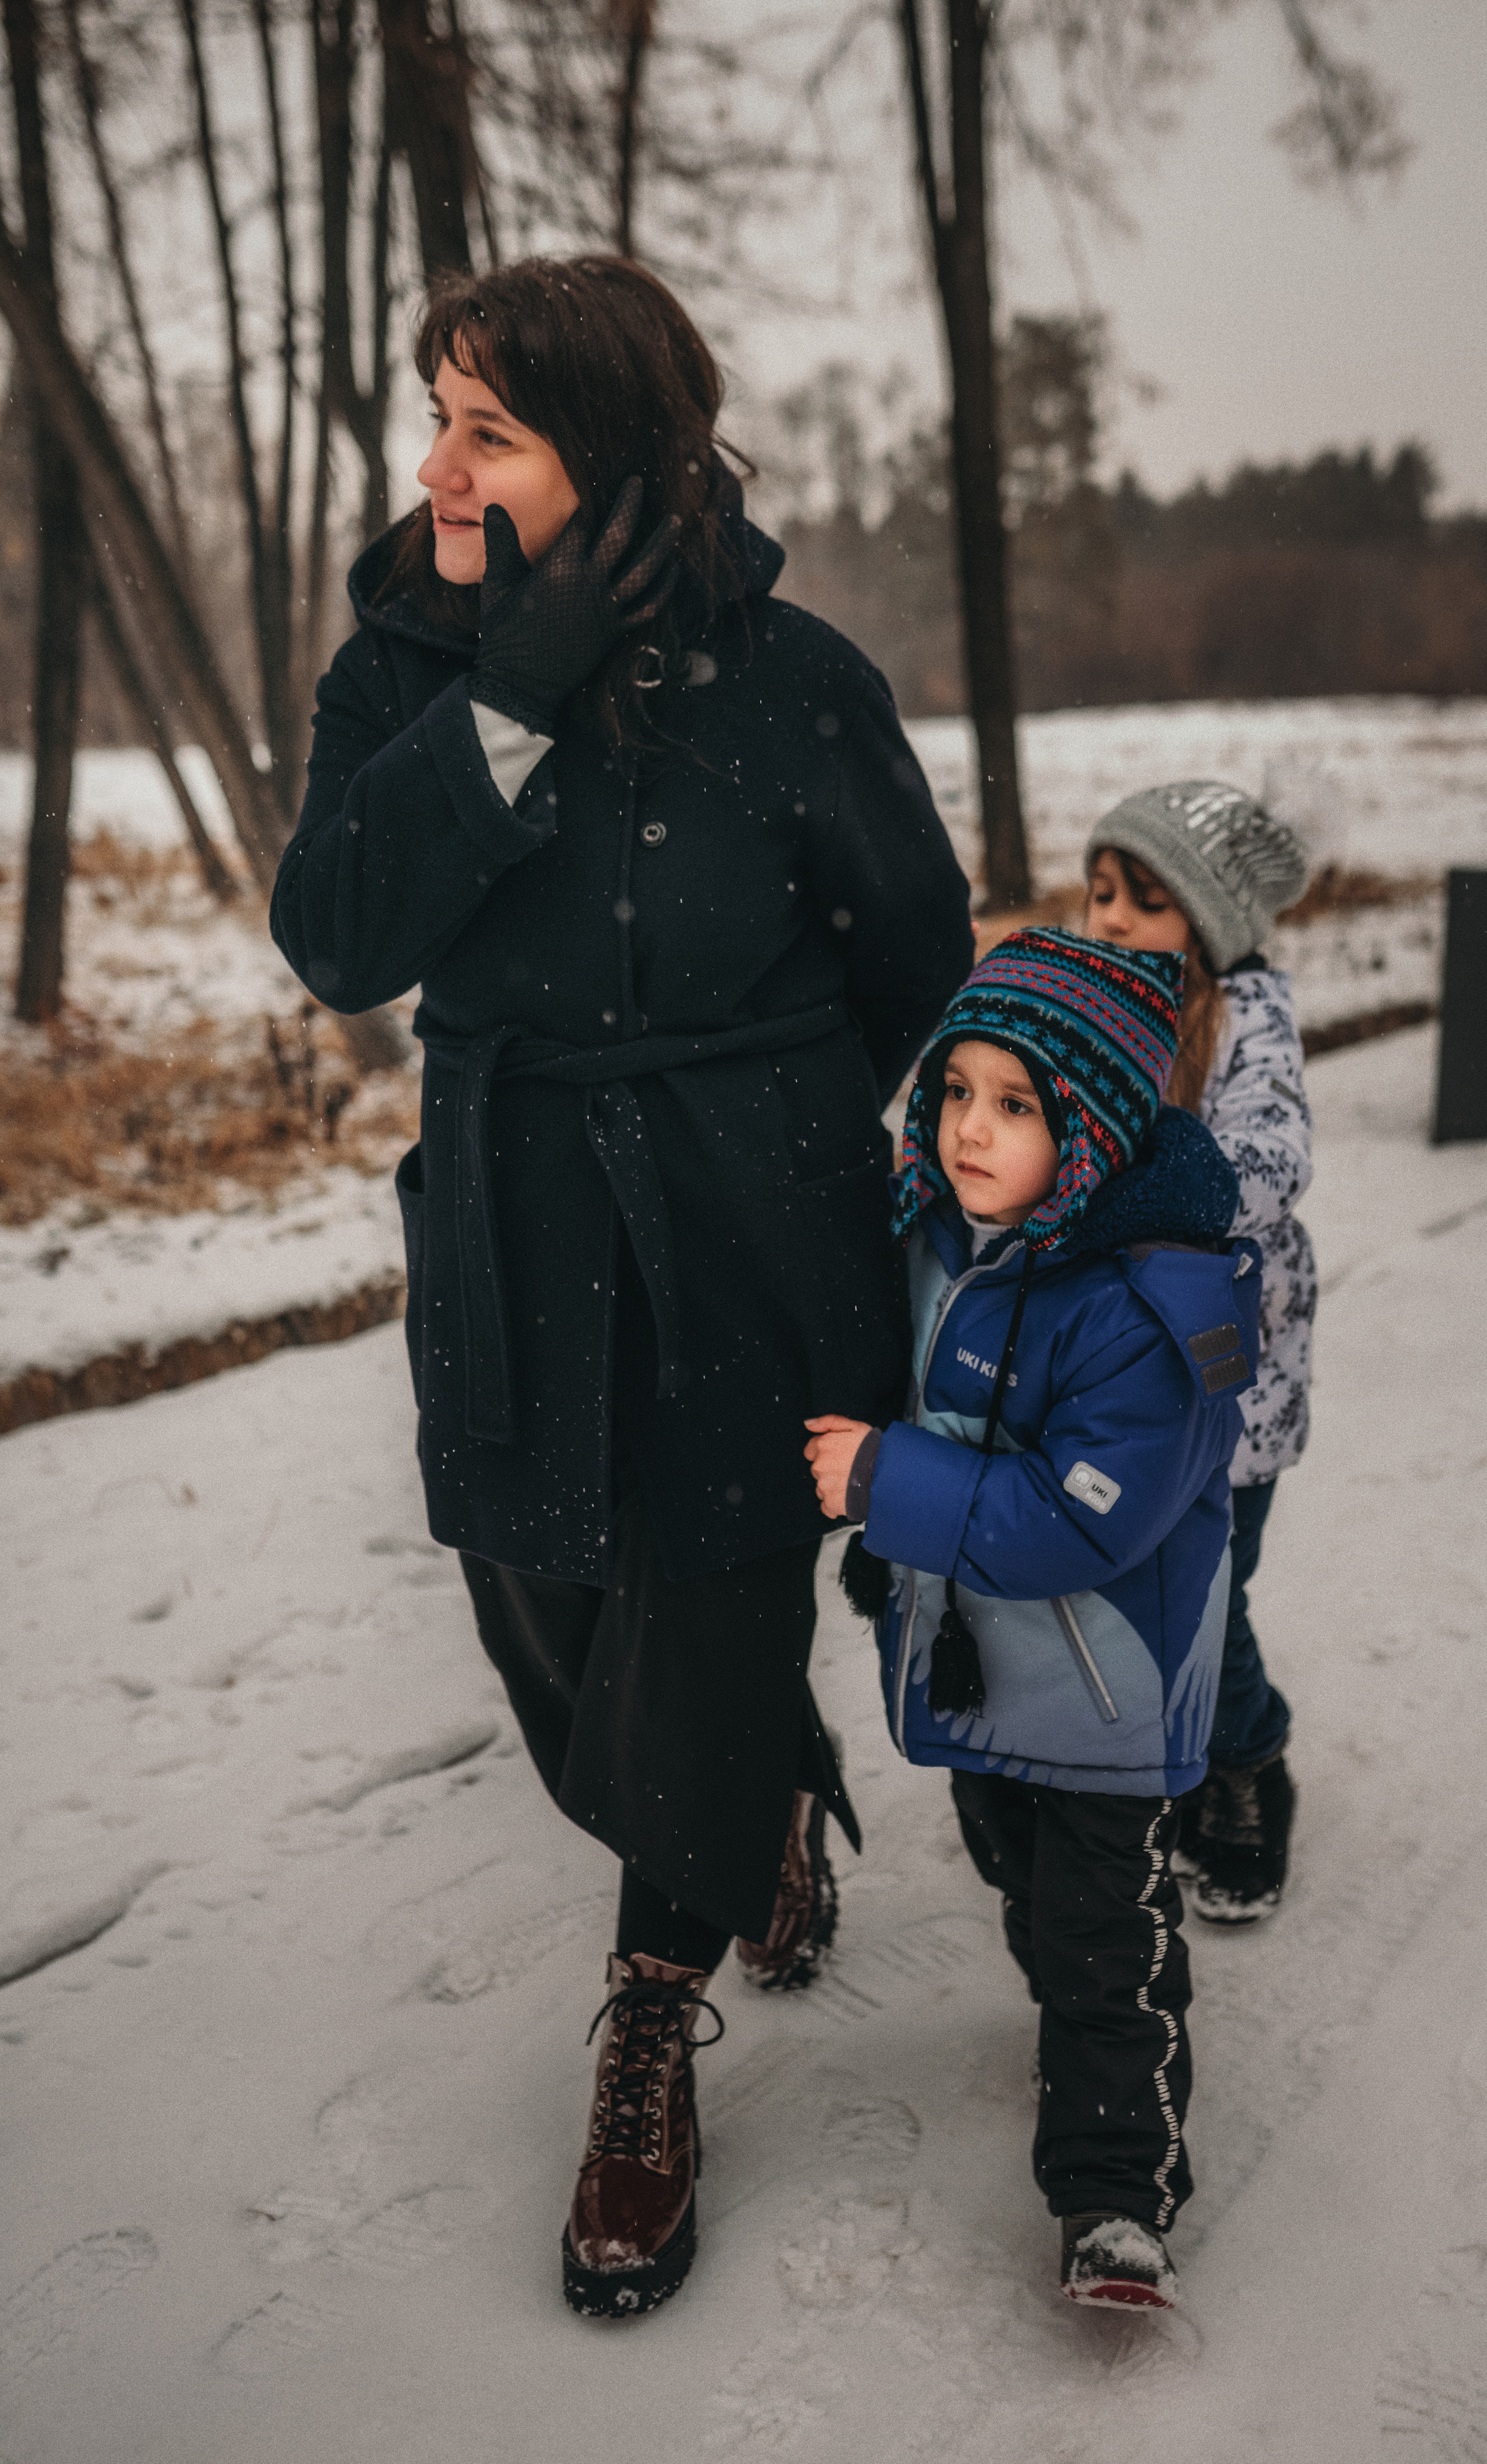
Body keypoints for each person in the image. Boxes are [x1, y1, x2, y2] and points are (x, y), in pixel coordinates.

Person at [271, 253, 973, 2319]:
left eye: (491, 424)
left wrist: (950, 1200)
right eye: (437, 414)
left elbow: (916, 966)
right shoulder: (406, 662)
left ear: (617, 442)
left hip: (758, 1212)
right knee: (554, 1608)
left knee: (721, 1588)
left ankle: (650, 2019)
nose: (440, 462)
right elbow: (340, 937)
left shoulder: (792, 672)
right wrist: (509, 689)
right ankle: (743, 1802)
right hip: (512, 1203)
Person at [805, 928, 1260, 2310]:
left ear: (1096, 1130)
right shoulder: (946, 1234)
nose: (965, 1130)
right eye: (954, 1092)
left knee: (1101, 1943)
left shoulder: (1152, 1307)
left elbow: (1085, 1520)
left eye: (1014, 1105)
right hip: (992, 1682)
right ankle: (1077, 2028)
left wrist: (886, 1479)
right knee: (1020, 1877)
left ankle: (1115, 2198)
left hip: (1106, 1688)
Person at [1079, 782, 1313, 1922]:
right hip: (1126, 1381)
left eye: (1150, 900)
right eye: (1104, 891)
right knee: (1161, 1594)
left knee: (1210, 1600)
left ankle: (1250, 1763)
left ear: (1212, 924)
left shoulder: (1248, 1019)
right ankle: (1186, 1739)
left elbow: (1273, 1155)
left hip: (1234, 1392)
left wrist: (1163, 1195)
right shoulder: (1096, 1006)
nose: (1113, 918)